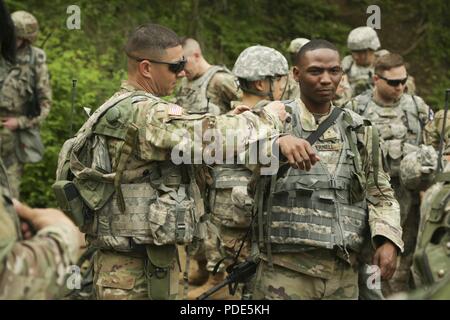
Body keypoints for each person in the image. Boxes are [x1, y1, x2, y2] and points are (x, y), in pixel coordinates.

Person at [55, 23, 318, 300]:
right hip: (132, 267)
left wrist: (236, 119)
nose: (182, 73)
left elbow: (190, 130)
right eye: (174, 66)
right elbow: (208, 139)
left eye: (183, 63)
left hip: (144, 257)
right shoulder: (144, 112)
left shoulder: (128, 106)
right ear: (146, 68)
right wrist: (267, 117)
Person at [250, 39, 403, 300]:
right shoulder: (272, 118)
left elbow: (380, 193)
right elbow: (243, 154)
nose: (326, 79)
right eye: (315, 71)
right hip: (286, 270)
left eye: (333, 71)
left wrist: (388, 239)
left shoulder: (359, 130)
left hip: (343, 274)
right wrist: (276, 144)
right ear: (296, 74)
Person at [188, 45, 290, 299]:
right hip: (265, 228)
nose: (284, 84)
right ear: (260, 84)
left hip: (227, 230)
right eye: (279, 79)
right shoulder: (272, 121)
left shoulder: (224, 122)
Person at [344, 53, 432, 296]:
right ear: (376, 79)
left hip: (410, 201)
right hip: (367, 199)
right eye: (393, 82)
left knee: (408, 261)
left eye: (403, 81)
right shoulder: (355, 108)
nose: (400, 87)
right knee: (369, 262)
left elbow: (434, 150)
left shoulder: (417, 107)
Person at [0, 10, 52, 198]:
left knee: (8, 194)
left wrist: (20, 122)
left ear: (25, 39)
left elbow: (45, 105)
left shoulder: (35, 60)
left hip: (12, 137)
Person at [175, 37, 240, 115]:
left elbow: (248, 106)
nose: (181, 70)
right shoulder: (184, 81)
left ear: (196, 56)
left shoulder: (221, 79)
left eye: (183, 63)